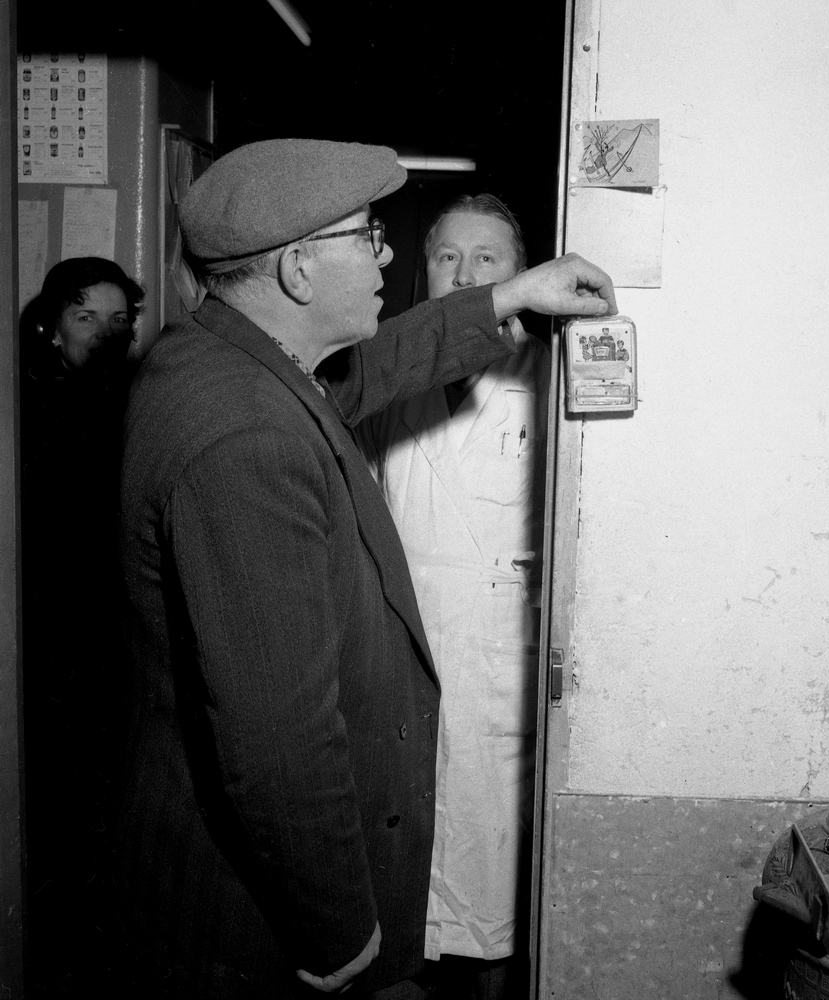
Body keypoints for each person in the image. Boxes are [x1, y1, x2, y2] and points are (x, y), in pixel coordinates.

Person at [111, 138, 616, 999]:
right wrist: (343, 933)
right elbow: (277, 741)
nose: (386, 257)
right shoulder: (248, 438)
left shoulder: (227, 359)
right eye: (368, 236)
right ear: (299, 269)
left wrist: (508, 296)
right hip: (250, 914)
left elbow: (371, 369)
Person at [361, 195, 546, 998]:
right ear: (423, 272)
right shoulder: (382, 378)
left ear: (520, 275)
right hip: (403, 660)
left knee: (495, 891)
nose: (464, 276)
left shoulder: (547, 379)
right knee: (407, 891)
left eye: (486, 260)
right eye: (447, 258)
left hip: (503, 668)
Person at [18, 256, 144, 991]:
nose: (103, 332)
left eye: (118, 319)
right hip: (47, 641)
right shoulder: (28, 408)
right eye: (85, 316)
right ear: (51, 326)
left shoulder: (134, 403)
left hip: (113, 638)